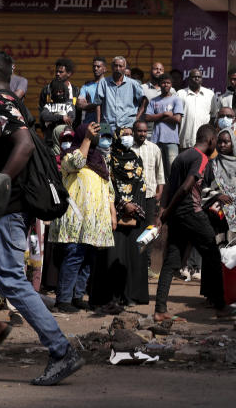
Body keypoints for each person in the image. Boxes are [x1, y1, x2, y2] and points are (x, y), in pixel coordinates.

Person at [0, 65, 83, 386]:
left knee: (10, 279)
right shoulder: (10, 101)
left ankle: (60, 349)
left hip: (5, 209)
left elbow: (23, 146)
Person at [155, 124, 233, 322]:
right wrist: (167, 212)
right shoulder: (200, 157)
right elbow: (184, 187)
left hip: (177, 218)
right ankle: (221, 307)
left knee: (171, 262)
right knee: (213, 255)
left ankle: (160, 310)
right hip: (192, 213)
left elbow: (169, 188)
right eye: (216, 140)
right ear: (210, 140)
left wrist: (163, 213)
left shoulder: (180, 157)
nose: (216, 144)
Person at [48, 122, 116, 313]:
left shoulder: (100, 161)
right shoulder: (70, 155)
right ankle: (63, 299)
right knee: (74, 257)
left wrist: (112, 213)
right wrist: (86, 138)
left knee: (88, 259)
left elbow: (109, 190)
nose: (95, 139)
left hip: (94, 222)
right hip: (76, 219)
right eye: (91, 136)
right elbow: (77, 162)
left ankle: (77, 297)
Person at [91, 127, 148, 313]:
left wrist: (134, 208)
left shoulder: (136, 158)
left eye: (130, 135)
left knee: (133, 256)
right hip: (113, 214)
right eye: (125, 135)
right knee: (112, 256)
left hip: (134, 215)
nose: (128, 138)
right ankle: (110, 298)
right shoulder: (109, 159)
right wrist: (122, 205)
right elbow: (108, 185)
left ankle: (131, 296)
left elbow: (141, 185)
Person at [91, 56, 147, 134]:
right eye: (115, 66)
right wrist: (98, 124)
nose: (117, 68)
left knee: (127, 143)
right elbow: (98, 104)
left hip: (127, 126)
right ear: (111, 67)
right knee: (104, 144)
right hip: (106, 125)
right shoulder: (103, 83)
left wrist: (136, 119)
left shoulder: (133, 84)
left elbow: (144, 100)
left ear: (125, 68)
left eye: (120, 66)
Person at [144, 72, 183, 178]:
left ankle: (172, 193)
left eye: (168, 83)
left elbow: (177, 119)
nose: (165, 85)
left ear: (171, 85)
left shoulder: (176, 99)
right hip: (156, 140)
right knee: (157, 171)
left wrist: (157, 117)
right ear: (159, 84)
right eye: (163, 83)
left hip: (171, 140)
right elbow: (147, 117)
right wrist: (164, 114)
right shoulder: (154, 101)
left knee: (172, 169)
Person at [131, 120, 164, 225]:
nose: (143, 134)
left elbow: (160, 173)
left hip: (150, 195)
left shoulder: (154, 149)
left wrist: (159, 192)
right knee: (133, 228)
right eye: (140, 131)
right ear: (133, 132)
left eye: (145, 131)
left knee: (148, 226)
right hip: (132, 197)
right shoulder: (128, 148)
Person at [177, 68, 215, 152]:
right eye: (194, 77)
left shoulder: (210, 94)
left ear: (202, 79)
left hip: (204, 142)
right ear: (189, 79)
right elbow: (177, 117)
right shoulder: (180, 94)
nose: (197, 78)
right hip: (185, 141)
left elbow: (213, 116)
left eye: (199, 77)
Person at [38, 78, 76, 146]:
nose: (58, 94)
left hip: (65, 141)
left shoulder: (69, 105)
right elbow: (44, 116)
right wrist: (61, 117)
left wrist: (52, 118)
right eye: (56, 92)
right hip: (50, 141)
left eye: (60, 92)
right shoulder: (48, 105)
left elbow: (70, 119)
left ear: (65, 92)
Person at [76, 56, 107, 127]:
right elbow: (80, 105)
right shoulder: (86, 87)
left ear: (105, 69)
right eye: (94, 66)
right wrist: (98, 105)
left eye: (98, 66)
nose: (95, 68)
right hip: (89, 124)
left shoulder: (109, 86)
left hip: (105, 124)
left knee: (104, 138)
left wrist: (90, 105)